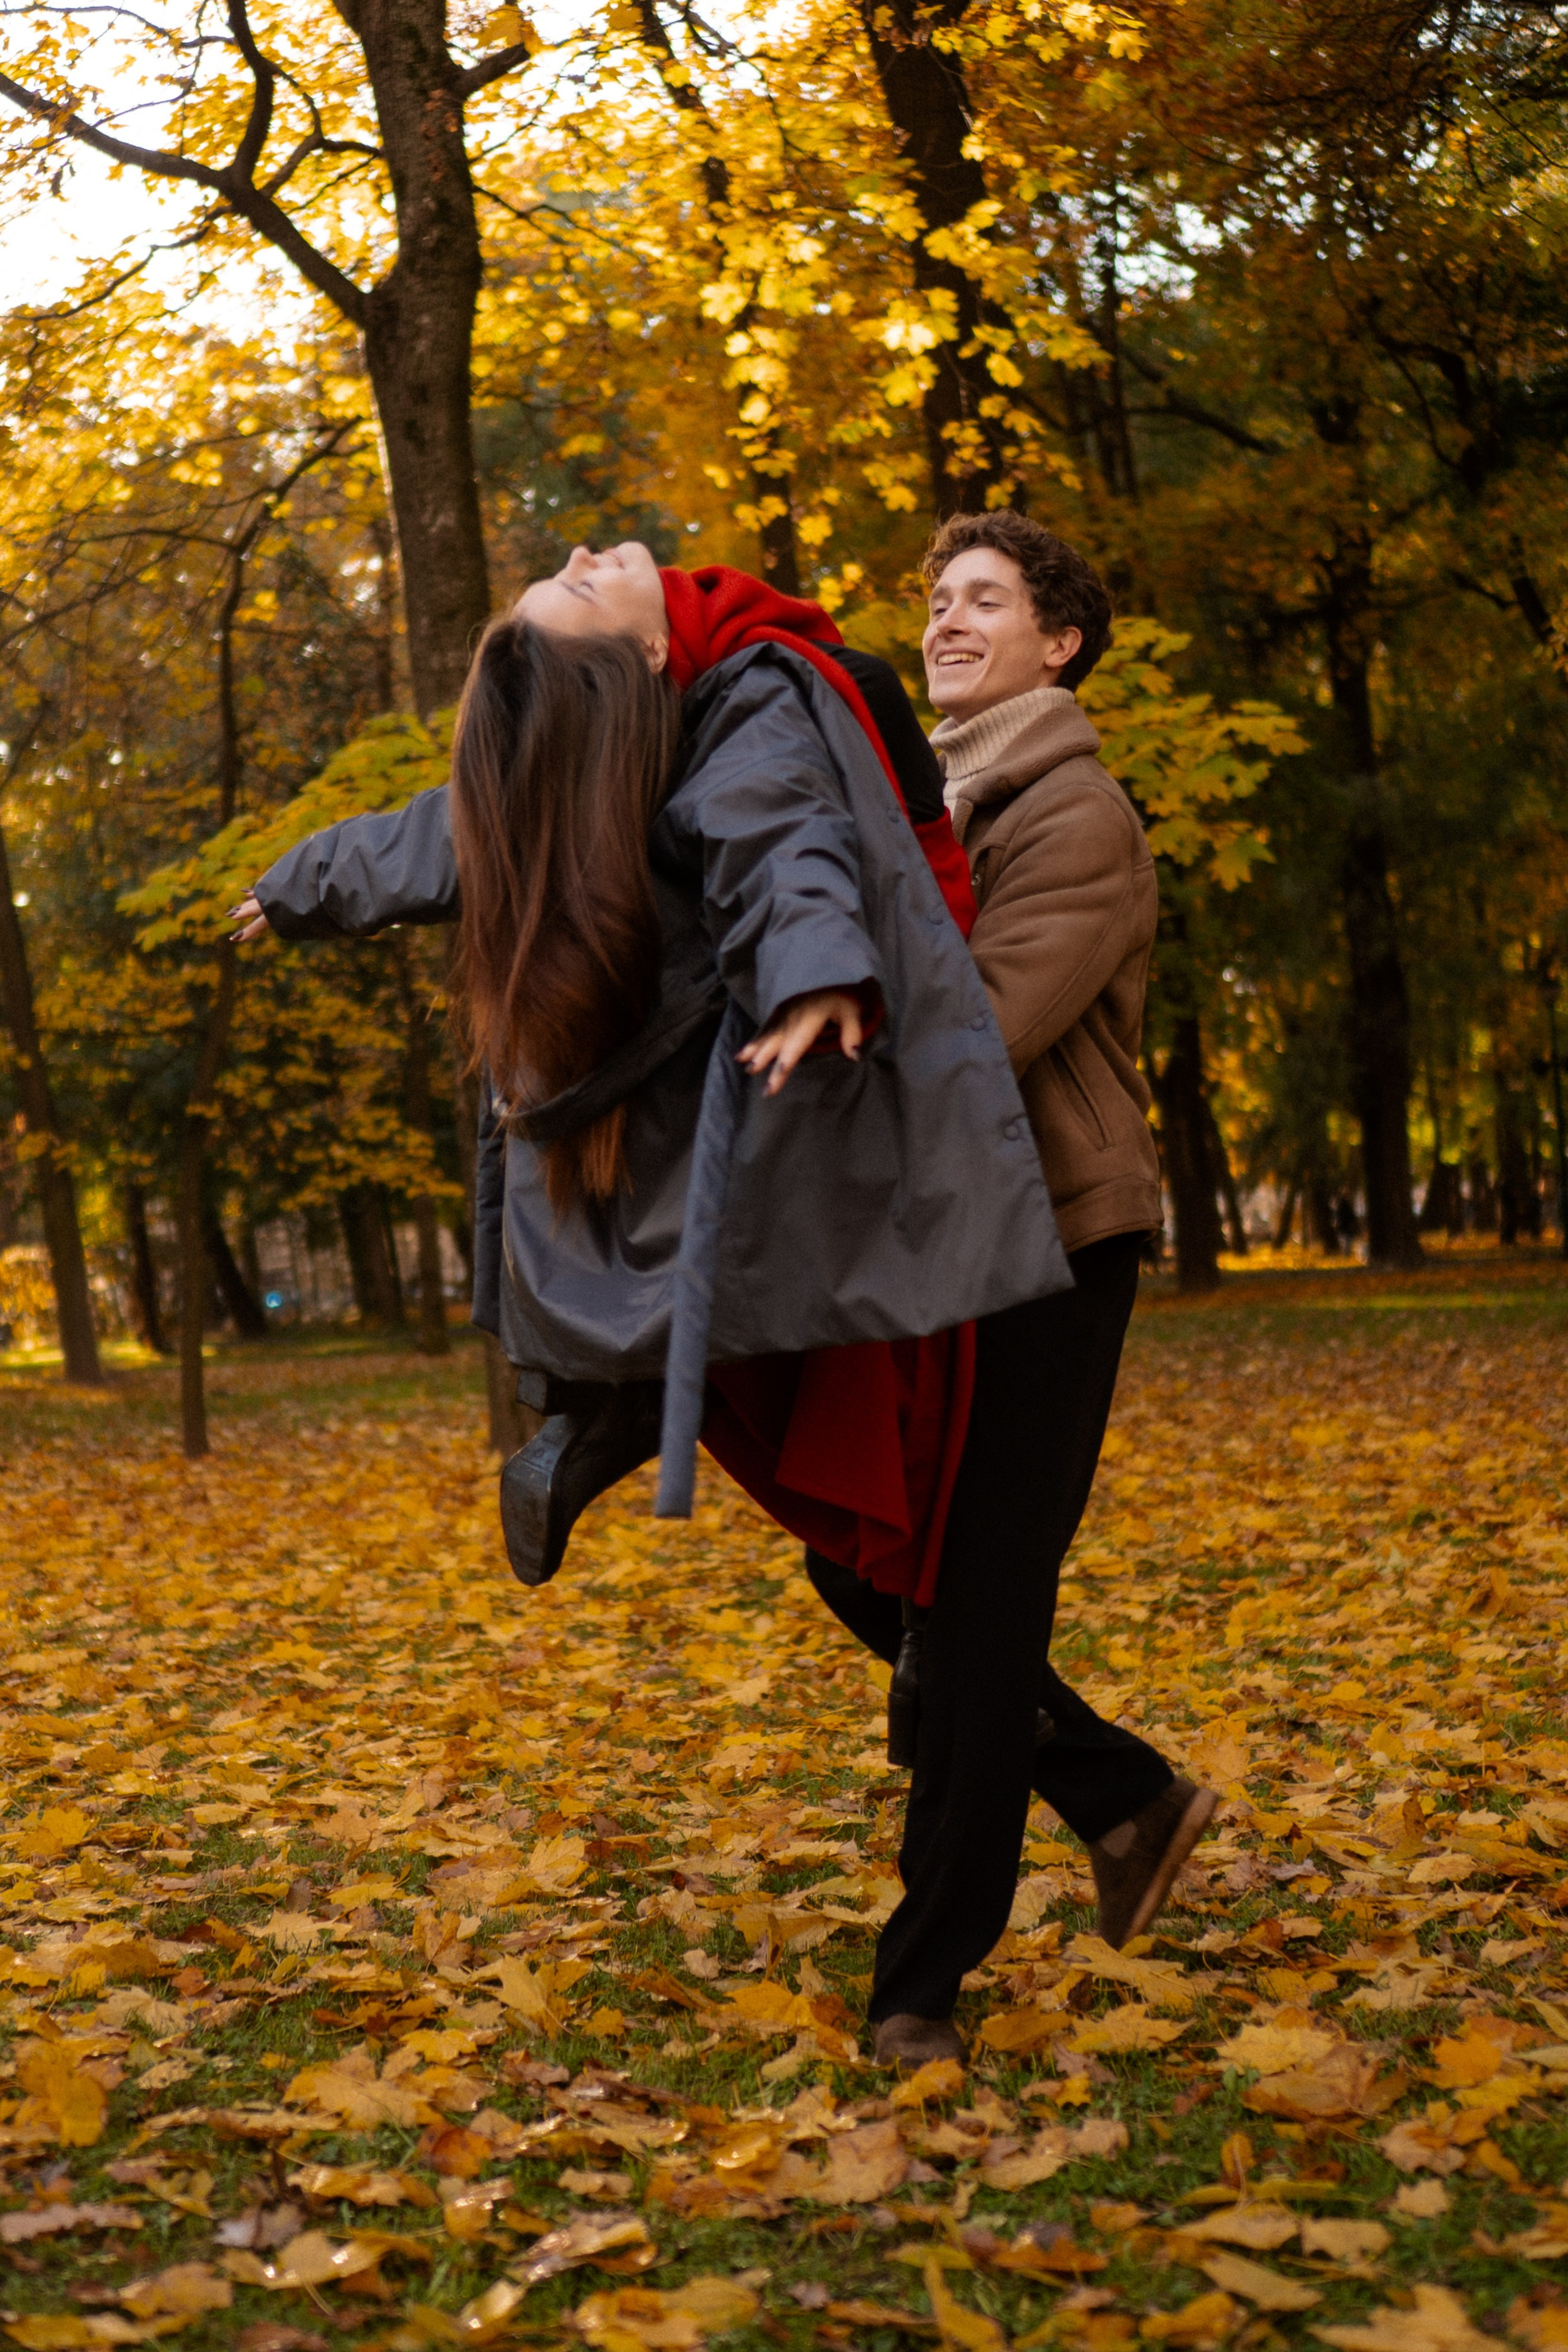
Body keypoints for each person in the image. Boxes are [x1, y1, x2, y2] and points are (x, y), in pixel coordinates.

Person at [232, 541, 1069, 1719]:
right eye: (573, 588)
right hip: (829, 1029)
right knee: (886, 1376)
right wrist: (304, 881)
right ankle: (927, 1624)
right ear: (637, 663)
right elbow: (768, 833)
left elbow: (479, 834)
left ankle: (608, 1408)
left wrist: (303, 883)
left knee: (835, 1380)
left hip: (799, 1027)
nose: (580, 551)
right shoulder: (743, 696)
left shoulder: (711, 692)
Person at [807, 514, 1216, 2068]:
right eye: (935, 600)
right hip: (929, 1246)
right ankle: (1121, 1794)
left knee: (976, 1604)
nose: (946, 621)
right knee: (862, 1563)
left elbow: (979, 1023)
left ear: (1059, 644)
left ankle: (921, 1985)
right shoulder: (930, 803)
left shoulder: (1075, 815)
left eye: (983, 600)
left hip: (1054, 1239)